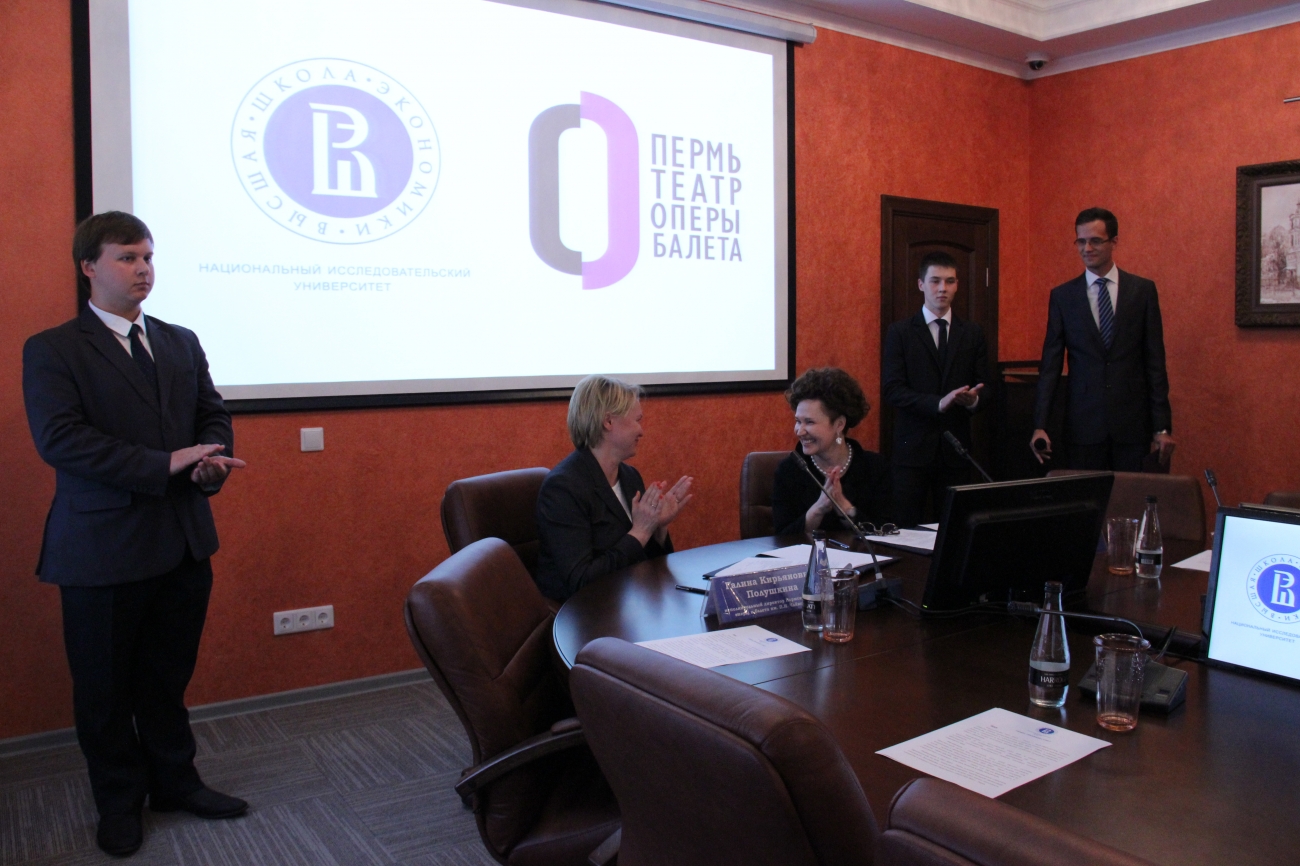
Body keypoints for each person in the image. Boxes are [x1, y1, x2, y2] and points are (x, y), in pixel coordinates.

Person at [22, 212, 248, 857]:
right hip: (101, 550)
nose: (143, 268)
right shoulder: (53, 349)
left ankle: (176, 783)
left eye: (147, 256)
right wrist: (165, 463)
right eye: (127, 257)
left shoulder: (179, 341)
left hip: (182, 541)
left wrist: (209, 462)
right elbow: (61, 440)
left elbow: (211, 414)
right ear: (88, 266)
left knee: (166, 680)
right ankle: (119, 801)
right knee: (104, 691)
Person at [1032, 208, 1174, 471]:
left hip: (1132, 425)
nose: (1087, 248)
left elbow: (1155, 363)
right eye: (1081, 241)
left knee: (1131, 495)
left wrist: (1162, 427)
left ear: (1114, 242)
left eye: (1095, 241)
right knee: (1088, 496)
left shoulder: (1142, 291)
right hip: (1083, 425)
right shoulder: (1063, 297)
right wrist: (1040, 425)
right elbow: (1050, 366)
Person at [535, 375, 694, 602]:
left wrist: (657, 527)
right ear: (608, 422)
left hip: (629, 602)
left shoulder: (630, 477)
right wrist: (640, 532)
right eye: (637, 420)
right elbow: (581, 581)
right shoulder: (563, 489)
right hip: (582, 613)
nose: (641, 431)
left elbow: (650, 564)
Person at [882, 250, 990, 527]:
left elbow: (987, 387)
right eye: (935, 281)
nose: (943, 288)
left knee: (954, 527)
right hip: (912, 451)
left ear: (957, 285)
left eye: (950, 281)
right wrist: (938, 403)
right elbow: (892, 390)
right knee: (906, 528)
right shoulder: (900, 332)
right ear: (921, 284)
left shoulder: (972, 333)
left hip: (956, 450)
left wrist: (973, 400)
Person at [772, 367, 892, 536]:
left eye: (809, 422)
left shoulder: (875, 467)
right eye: (798, 421)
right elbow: (781, 539)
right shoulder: (789, 470)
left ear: (839, 425)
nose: (799, 431)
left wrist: (845, 507)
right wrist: (819, 508)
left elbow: (887, 532)